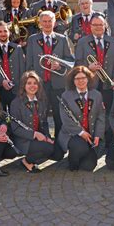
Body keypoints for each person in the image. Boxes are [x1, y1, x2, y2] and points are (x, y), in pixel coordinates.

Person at [25, 10, 74, 138]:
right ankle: (43, 140)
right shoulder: (32, 39)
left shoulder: (62, 39)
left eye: (50, 21)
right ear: (40, 23)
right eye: (44, 21)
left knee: (59, 115)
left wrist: (59, 65)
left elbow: (70, 61)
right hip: (39, 85)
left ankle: (59, 142)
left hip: (58, 84)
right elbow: (29, 64)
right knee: (40, 114)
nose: (47, 24)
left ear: (55, 23)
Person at [75, 15, 114, 146]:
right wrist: (88, 67)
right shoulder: (83, 42)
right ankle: (93, 140)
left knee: (108, 113)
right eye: (95, 25)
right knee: (92, 113)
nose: (98, 27)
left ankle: (108, 141)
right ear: (90, 27)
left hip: (108, 85)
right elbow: (77, 62)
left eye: (101, 25)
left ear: (105, 26)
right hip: (91, 84)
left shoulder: (113, 41)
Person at [9, 71, 64, 173]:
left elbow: (44, 123)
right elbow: (15, 129)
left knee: (58, 155)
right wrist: (34, 134)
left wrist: (47, 137)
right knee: (48, 149)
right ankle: (26, 161)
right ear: (24, 85)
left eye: (35, 83)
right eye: (29, 83)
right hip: (23, 140)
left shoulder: (42, 101)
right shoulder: (16, 103)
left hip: (38, 138)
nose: (32, 86)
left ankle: (36, 154)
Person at [58, 66, 105, 171]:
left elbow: (100, 117)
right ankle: (72, 162)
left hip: (90, 134)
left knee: (88, 166)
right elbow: (66, 120)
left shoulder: (97, 95)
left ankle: (81, 155)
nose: (81, 81)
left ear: (88, 78)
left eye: (83, 78)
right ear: (73, 81)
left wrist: (97, 135)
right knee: (80, 147)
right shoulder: (66, 96)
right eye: (77, 79)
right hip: (73, 134)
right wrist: (80, 132)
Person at [0, 21, 25, 111]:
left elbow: (22, 69)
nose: (3, 34)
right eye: (0, 31)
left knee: (16, 115)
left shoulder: (17, 48)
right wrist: (2, 81)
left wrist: (21, 88)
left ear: (9, 32)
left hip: (15, 89)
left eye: (5, 31)